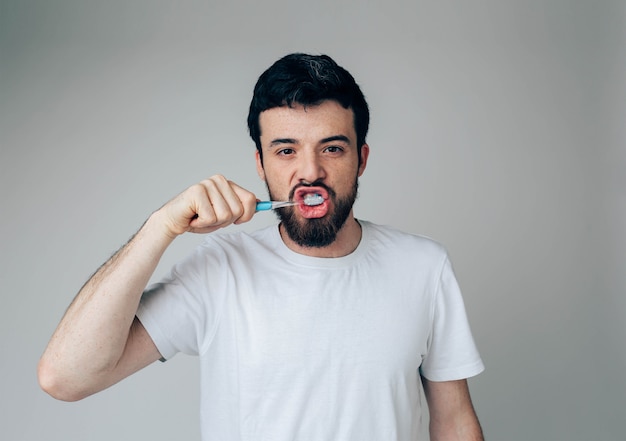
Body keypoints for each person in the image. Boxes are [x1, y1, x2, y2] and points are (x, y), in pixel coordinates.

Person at [38, 53, 485, 440]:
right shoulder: (219, 272)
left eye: (331, 148)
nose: (310, 172)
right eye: (286, 151)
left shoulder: (423, 267)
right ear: (261, 164)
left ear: (361, 159)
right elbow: (65, 378)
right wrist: (160, 227)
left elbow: (453, 421)